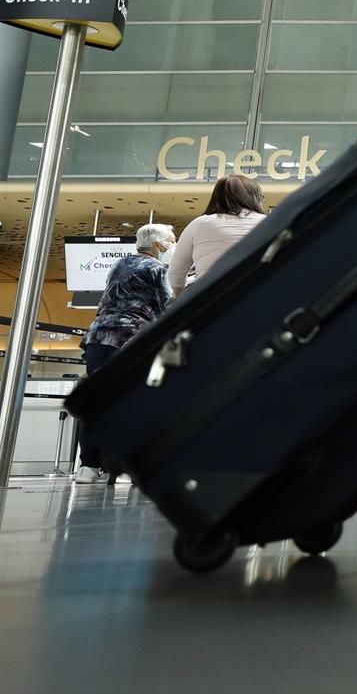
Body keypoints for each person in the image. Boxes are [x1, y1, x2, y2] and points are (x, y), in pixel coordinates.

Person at [74, 223, 174, 484]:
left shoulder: (119, 264)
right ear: (158, 245)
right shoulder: (156, 269)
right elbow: (168, 305)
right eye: (171, 241)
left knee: (98, 401)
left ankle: (88, 466)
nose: (173, 245)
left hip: (99, 336)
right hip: (130, 338)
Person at [168, 173, 268, 292]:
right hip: (259, 295)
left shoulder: (200, 223)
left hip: (211, 298)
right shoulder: (270, 222)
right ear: (255, 198)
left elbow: (176, 273)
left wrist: (179, 296)